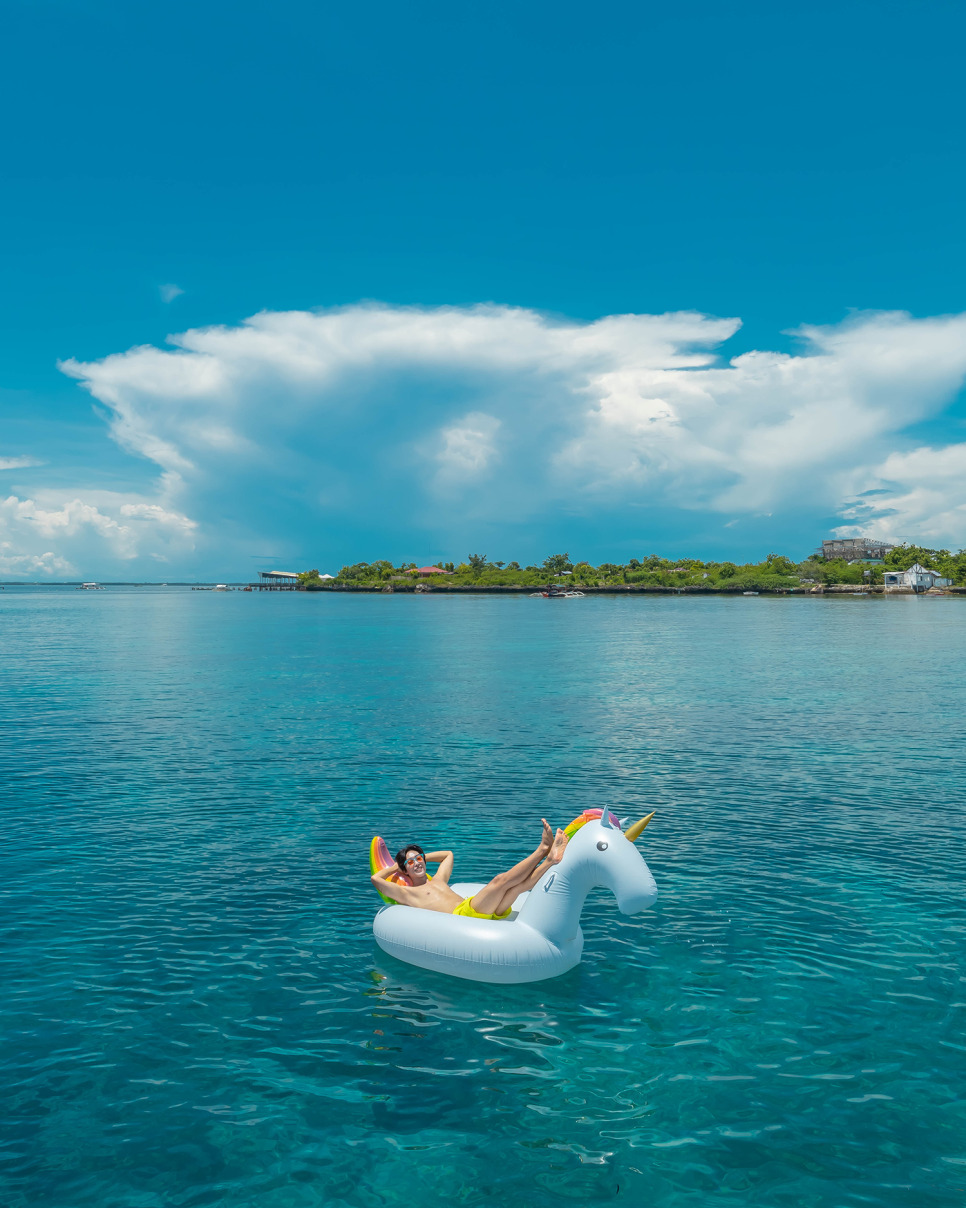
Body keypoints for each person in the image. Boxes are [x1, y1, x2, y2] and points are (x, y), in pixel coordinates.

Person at [371, 818, 568, 920]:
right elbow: (376, 879)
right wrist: (399, 866)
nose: (418, 863)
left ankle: (550, 860)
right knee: (500, 880)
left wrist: (420, 857)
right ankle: (542, 849)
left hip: (479, 909)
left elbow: (448, 854)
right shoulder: (407, 893)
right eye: (411, 863)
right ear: (404, 870)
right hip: (464, 915)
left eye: (419, 859)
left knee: (516, 888)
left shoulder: (439, 879)